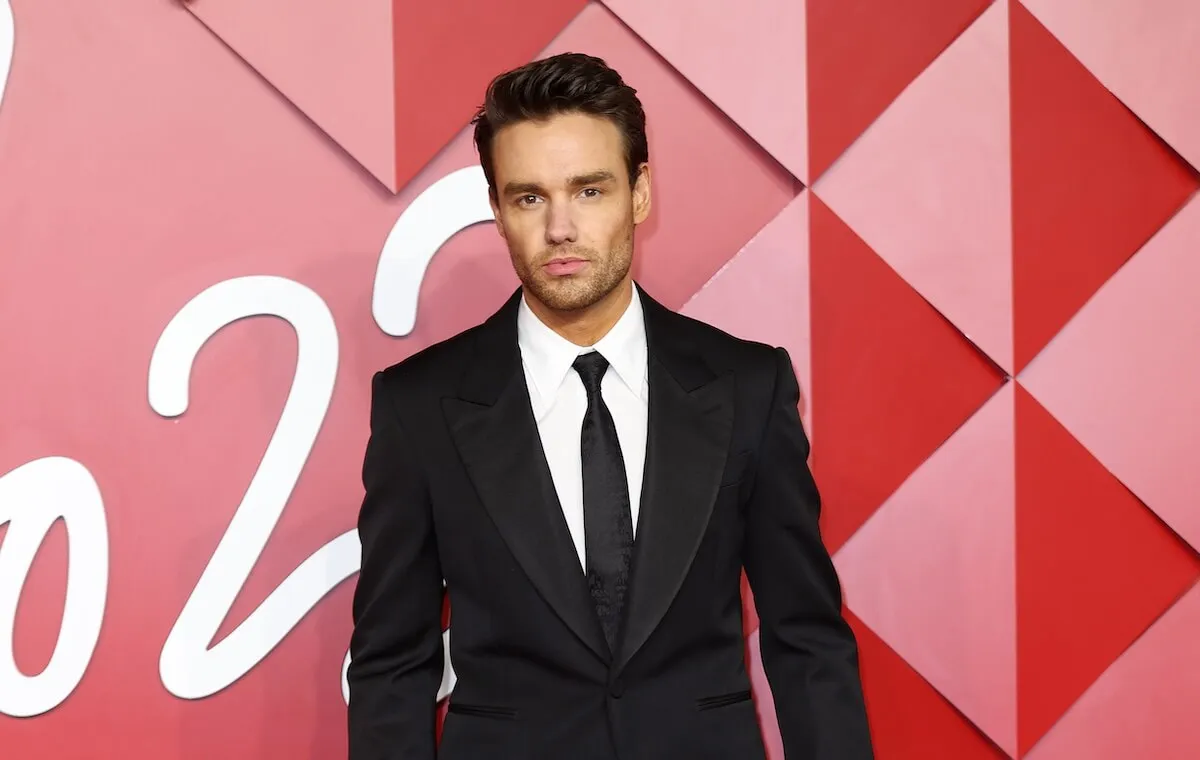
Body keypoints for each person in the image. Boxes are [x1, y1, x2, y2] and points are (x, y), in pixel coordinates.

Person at [347, 52, 874, 760]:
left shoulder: (748, 386)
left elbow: (806, 637)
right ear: (497, 208)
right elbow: (391, 663)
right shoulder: (420, 406)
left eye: (589, 191)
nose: (561, 228)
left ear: (640, 193)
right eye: (530, 197)